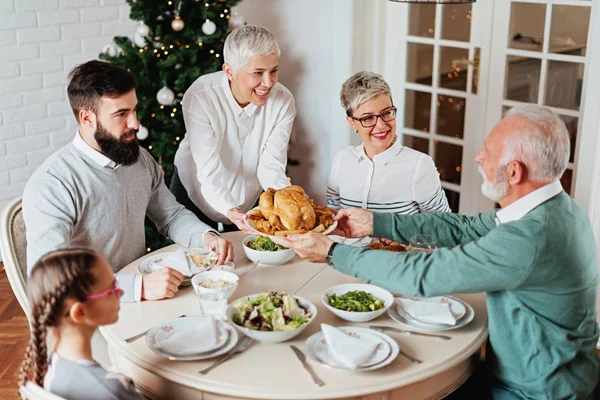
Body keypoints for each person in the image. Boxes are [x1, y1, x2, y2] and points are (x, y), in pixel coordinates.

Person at [275, 105, 600, 399]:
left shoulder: (530, 237)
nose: (478, 157)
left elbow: (423, 275)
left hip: (534, 393)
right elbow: (464, 229)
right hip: (545, 376)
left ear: (514, 172)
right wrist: (376, 223)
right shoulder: (555, 208)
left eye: (488, 151)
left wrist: (332, 253)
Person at [23, 60, 233, 302]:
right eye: (121, 114)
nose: (135, 123)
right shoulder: (51, 184)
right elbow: (48, 278)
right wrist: (138, 288)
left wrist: (205, 237)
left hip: (140, 296)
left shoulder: (139, 158)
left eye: (134, 110)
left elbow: (171, 216)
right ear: (86, 117)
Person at [170, 25, 296, 232]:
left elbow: (271, 165)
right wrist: (229, 209)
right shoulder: (201, 96)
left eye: (274, 70)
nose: (268, 82)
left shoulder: (283, 101)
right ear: (229, 71)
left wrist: (290, 200)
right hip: (195, 184)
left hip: (248, 192)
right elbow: (208, 173)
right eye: (258, 73)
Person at [19, 248, 143, 399]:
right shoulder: (111, 389)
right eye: (112, 290)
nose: (121, 293)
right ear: (79, 313)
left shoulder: (50, 366)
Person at [327, 71, 450, 214]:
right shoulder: (341, 159)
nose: (381, 125)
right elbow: (332, 215)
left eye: (386, 113)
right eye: (368, 118)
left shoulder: (419, 166)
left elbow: (444, 225)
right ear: (352, 122)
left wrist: (401, 234)